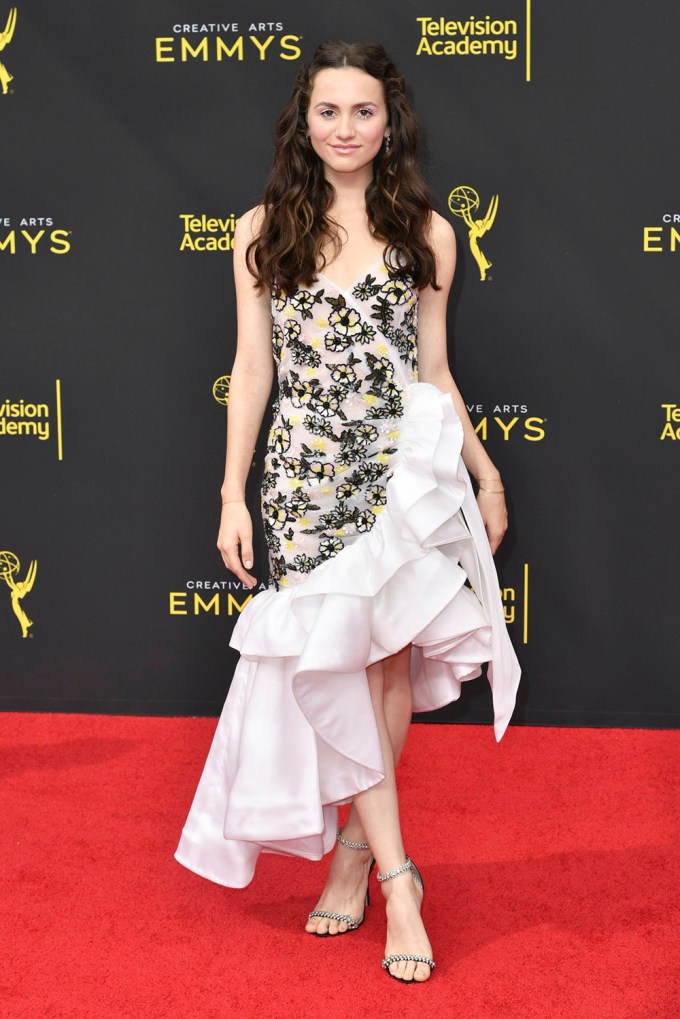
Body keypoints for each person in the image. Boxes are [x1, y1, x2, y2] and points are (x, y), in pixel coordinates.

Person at [175, 40, 520, 984]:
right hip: (303, 484)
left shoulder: (428, 232)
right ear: (304, 118)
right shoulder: (262, 229)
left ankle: (365, 856)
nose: (344, 129)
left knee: (387, 673)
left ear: (389, 120)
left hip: (395, 480)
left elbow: (435, 373)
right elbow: (254, 370)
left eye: (362, 112)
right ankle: (397, 871)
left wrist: (485, 478)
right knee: (344, 664)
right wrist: (230, 489)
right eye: (328, 111)